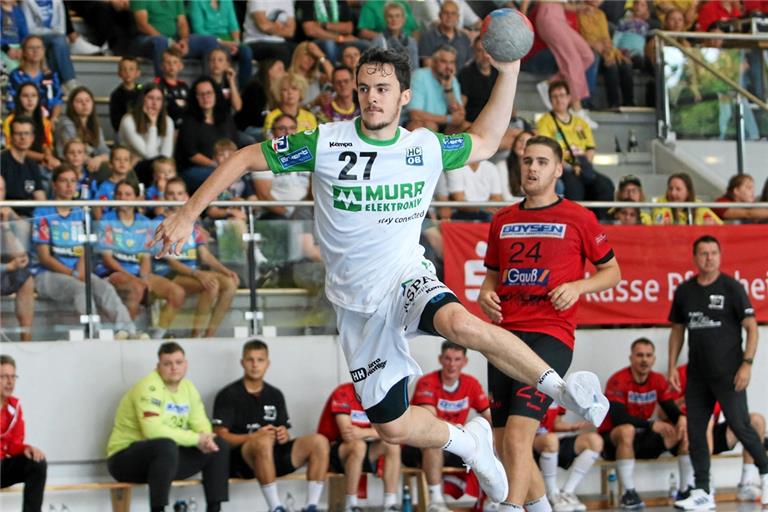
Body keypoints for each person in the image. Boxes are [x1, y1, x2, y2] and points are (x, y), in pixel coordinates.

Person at [154, 47, 611, 507]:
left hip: (407, 278)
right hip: (357, 307)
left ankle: (564, 390)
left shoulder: (423, 147)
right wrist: (189, 212)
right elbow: (245, 158)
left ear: (403, 97)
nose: (372, 98)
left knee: (461, 325)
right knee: (391, 427)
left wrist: (509, 70)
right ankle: (469, 443)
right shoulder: (325, 142)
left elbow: (488, 140)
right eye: (365, 88)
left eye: (383, 89)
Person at [478, 135, 620, 512]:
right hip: (504, 337)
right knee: (503, 439)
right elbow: (491, 276)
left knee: (519, 437)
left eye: (541, 161)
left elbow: (612, 272)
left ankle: (508, 508)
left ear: (558, 169)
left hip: (549, 335)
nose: (532, 168)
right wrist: (484, 293)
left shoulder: (579, 217)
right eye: (527, 161)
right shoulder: (503, 219)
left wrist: (578, 285)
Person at [668, 235, 768, 510]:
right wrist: (671, 366)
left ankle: (765, 472)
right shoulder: (685, 291)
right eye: (703, 253)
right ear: (695, 258)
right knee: (697, 432)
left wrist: (747, 363)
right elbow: (677, 331)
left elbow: (752, 327)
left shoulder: (732, 288)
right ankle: (702, 490)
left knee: (741, 427)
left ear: (720, 256)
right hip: (697, 377)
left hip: (730, 374)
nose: (709, 257)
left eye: (713, 253)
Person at [106, 342, 229, 512]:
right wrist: (195, 439)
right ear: (158, 366)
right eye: (167, 363)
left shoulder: (188, 388)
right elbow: (153, 431)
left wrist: (206, 438)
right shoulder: (149, 387)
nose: (173, 368)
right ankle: (158, 510)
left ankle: (214, 509)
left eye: (178, 363)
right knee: (165, 444)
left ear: (186, 364)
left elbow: (200, 422)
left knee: (219, 445)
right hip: (125, 459)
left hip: (164, 461)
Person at [213, 339, 329, 512]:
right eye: (250, 360)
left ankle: (311, 506)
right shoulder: (228, 394)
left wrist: (284, 435)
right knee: (263, 441)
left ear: (268, 364)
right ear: (242, 363)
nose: (255, 365)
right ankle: (276, 508)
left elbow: (284, 431)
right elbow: (220, 437)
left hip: (273, 456)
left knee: (319, 441)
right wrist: (253, 437)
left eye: (260, 360)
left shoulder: (275, 394)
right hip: (242, 461)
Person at [31, 164, 140, 339]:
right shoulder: (43, 211)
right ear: (54, 184)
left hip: (78, 272)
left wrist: (80, 270)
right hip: (47, 275)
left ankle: (128, 332)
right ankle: (95, 334)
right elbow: (44, 257)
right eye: (64, 181)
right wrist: (73, 273)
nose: (69, 186)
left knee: (105, 288)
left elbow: (86, 247)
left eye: (73, 181)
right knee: (82, 289)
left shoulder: (81, 212)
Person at [598, 338, 684, 510]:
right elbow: (618, 418)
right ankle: (628, 493)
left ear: (653, 359)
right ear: (631, 358)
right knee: (627, 430)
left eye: (648, 355)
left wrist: (682, 418)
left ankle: (687, 488)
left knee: (681, 429)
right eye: (639, 355)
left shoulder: (658, 380)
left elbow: (671, 409)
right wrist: (652, 424)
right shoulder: (618, 379)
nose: (644, 359)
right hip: (613, 440)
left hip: (641, 438)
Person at [406, 341, 491, 512]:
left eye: (457, 359)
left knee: (496, 440)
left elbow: (489, 417)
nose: (452, 364)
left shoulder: (471, 384)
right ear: (440, 359)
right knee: (434, 441)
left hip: (458, 443)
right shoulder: (427, 382)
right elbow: (430, 422)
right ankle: (435, 502)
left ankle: (491, 500)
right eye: (448, 359)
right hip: (420, 447)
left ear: (464, 362)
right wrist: (465, 431)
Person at [96, 180, 186, 339]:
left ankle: (157, 336)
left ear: (137, 197)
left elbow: (145, 257)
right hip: (113, 272)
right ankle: (125, 333)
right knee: (136, 287)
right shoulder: (106, 219)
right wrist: (135, 279)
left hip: (138, 272)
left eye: (128, 194)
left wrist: (144, 277)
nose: (123, 198)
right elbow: (107, 260)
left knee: (177, 293)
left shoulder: (145, 222)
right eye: (119, 194)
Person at [154, 177, 239, 338]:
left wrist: (226, 271)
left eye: (179, 193)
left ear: (186, 197)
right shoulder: (158, 223)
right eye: (170, 194)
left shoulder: (192, 223)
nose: (175, 198)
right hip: (168, 274)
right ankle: (195, 335)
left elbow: (205, 255)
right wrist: (198, 274)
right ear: (164, 197)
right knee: (211, 285)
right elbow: (170, 262)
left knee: (230, 284)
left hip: (192, 273)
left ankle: (209, 334)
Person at [669, 363, 766, 502]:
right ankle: (690, 487)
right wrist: (690, 398)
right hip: (686, 431)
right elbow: (661, 412)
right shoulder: (679, 373)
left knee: (756, 421)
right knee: (703, 422)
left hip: (715, 431)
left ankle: (746, 483)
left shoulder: (722, 372)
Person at [318, 380, 402, 512]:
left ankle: (390, 504)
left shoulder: (378, 395)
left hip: (364, 449)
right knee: (358, 446)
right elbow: (347, 434)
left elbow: (389, 432)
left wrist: (363, 432)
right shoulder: (343, 392)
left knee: (392, 445)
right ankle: (350, 505)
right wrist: (373, 433)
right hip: (334, 451)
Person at [535, 81, 614, 217]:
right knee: (574, 188)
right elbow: (547, 151)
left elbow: (590, 148)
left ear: (569, 98)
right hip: (561, 167)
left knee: (605, 185)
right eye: (554, 96)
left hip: (583, 165)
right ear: (550, 100)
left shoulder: (581, 122)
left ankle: (600, 223)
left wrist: (583, 166)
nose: (559, 99)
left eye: (562, 95)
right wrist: (569, 166)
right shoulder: (544, 121)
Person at [534, 404, 603, 512]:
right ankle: (552, 494)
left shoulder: (558, 394)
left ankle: (567, 493)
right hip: (528, 443)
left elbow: (555, 424)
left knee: (594, 441)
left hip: (550, 440)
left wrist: (572, 427)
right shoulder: (528, 391)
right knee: (551, 440)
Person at [0, 354, 47, 511]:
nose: (10, 382)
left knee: (37, 463)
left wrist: (26, 448)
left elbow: (14, 445)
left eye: (13, 377)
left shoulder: (15, 406)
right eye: (4, 377)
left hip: (2, 466)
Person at [176, 76, 238, 192]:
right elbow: (191, 154)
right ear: (196, 98)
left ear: (216, 94)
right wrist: (216, 165)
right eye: (201, 94)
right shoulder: (189, 121)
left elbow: (234, 145)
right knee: (217, 176)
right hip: (196, 169)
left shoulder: (226, 118)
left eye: (209, 93)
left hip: (224, 165)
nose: (206, 97)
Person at [130, 0, 220, 78]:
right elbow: (142, 25)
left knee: (210, 41)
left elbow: (182, 22)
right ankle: (162, 88)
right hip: (146, 40)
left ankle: (210, 86)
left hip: (174, 40)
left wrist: (184, 41)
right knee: (160, 41)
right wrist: (169, 42)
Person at [252, 114, 311, 220]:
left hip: (306, 213)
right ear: (273, 132)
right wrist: (288, 214)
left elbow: (312, 191)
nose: (288, 132)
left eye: (292, 128)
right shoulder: (265, 157)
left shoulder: (307, 157)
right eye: (282, 128)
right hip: (277, 215)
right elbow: (264, 196)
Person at [578, 0, 635, 108]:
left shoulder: (601, 14)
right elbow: (577, 37)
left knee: (625, 64)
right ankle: (607, 103)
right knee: (610, 66)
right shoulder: (578, 13)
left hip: (604, 52)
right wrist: (595, 45)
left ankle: (629, 103)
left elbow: (606, 40)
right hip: (588, 52)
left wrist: (612, 53)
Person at [187, 0, 254, 90]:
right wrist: (223, 42)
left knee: (247, 51)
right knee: (217, 50)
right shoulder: (196, 2)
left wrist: (236, 42)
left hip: (230, 40)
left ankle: (244, 92)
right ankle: (216, 90)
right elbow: (198, 29)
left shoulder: (227, 1)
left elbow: (234, 26)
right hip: (209, 39)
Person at [118, 83, 176, 186]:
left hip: (157, 167)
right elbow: (148, 154)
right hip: (133, 167)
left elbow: (166, 156)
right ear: (142, 99)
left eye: (158, 99)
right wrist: (153, 125)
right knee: (154, 167)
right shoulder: (128, 120)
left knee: (166, 169)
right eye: (150, 98)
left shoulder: (168, 121)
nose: (154, 103)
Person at [0, 176, 35, 342]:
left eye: (0, 190)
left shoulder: (9, 214)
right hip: (4, 268)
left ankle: (26, 338)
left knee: (26, 279)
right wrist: (8, 267)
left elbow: (20, 255)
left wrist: (7, 224)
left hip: (7, 266)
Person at [19, 0, 78, 91]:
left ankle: (58, 83)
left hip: (55, 38)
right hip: (34, 37)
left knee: (59, 42)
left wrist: (51, 33)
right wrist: (50, 31)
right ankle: (69, 81)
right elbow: (29, 29)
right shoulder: (27, 2)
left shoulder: (58, 2)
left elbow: (62, 30)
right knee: (58, 41)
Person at [407, 45, 466, 133]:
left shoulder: (452, 79)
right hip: (419, 123)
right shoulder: (419, 76)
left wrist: (448, 90)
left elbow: (460, 115)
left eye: (452, 62)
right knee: (430, 126)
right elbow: (415, 114)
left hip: (443, 123)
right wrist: (449, 119)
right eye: (444, 62)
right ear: (433, 62)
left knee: (468, 127)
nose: (448, 67)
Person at [2, 81, 58, 173]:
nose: (30, 99)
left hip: (41, 163)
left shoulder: (44, 121)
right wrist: (43, 157)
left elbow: (46, 144)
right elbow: (12, 148)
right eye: (25, 96)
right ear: (18, 99)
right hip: (15, 164)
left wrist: (48, 157)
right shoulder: (10, 121)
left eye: (34, 96)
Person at [6, 35, 63, 123]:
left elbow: (57, 101)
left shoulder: (51, 76)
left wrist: (53, 119)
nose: (35, 51)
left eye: (38, 47)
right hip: (21, 121)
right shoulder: (15, 75)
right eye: (31, 48)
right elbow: (11, 103)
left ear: (43, 51)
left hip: (47, 121)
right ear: (24, 52)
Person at [54, 85, 110, 172]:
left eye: (87, 100)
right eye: (79, 101)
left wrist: (99, 159)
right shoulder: (66, 124)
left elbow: (105, 151)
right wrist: (94, 160)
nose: (84, 104)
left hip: (90, 165)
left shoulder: (95, 126)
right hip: (69, 168)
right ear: (72, 105)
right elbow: (73, 154)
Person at [0, 116, 47, 217]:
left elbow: (41, 199)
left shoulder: (32, 165)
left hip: (30, 220)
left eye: (26, 133)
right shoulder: (2, 161)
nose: (23, 137)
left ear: (32, 138)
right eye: (18, 133)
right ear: (11, 137)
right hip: (6, 221)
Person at [296, 0, 367, 66]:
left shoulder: (340, 1)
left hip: (342, 40)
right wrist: (339, 38)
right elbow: (310, 31)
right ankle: (335, 72)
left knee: (365, 45)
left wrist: (324, 25)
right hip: (313, 42)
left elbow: (348, 28)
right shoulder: (306, 2)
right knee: (329, 44)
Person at [418, 0, 472, 69]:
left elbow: (468, 66)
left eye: (453, 13)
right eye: (446, 13)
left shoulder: (465, 38)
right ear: (439, 15)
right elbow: (428, 67)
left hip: (461, 79)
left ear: (458, 17)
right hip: (436, 78)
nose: (449, 16)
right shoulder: (427, 37)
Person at [651, 173, 722, 225]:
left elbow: (720, 225)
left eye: (678, 189)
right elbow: (658, 222)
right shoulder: (660, 204)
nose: (673, 193)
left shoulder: (697, 205)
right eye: (670, 189)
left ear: (688, 192)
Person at [242, 0, 297, 66]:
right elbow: (263, 26)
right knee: (282, 51)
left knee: (299, 50)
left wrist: (271, 26)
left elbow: (291, 32)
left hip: (280, 42)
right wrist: (282, 28)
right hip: (254, 41)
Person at [459, 37, 498, 124]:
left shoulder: (498, 73)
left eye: (487, 51)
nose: (485, 56)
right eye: (480, 51)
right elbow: (462, 103)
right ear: (474, 52)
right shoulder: (466, 73)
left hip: (495, 121)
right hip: (472, 122)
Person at [371, 2, 419, 70]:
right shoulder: (378, 40)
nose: (394, 19)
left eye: (397, 16)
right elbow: (373, 66)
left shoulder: (412, 42)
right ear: (385, 19)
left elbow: (415, 68)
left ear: (403, 19)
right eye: (390, 16)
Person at [154, 47, 190, 129]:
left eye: (175, 62)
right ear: (162, 66)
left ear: (181, 66)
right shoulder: (157, 85)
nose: (171, 65)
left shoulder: (184, 86)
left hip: (183, 129)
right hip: (163, 127)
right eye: (168, 62)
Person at [109, 57, 144, 134]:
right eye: (124, 69)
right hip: (123, 131)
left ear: (138, 73)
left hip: (141, 129)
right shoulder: (116, 95)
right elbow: (115, 122)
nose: (127, 72)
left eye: (131, 69)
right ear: (119, 73)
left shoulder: (143, 92)